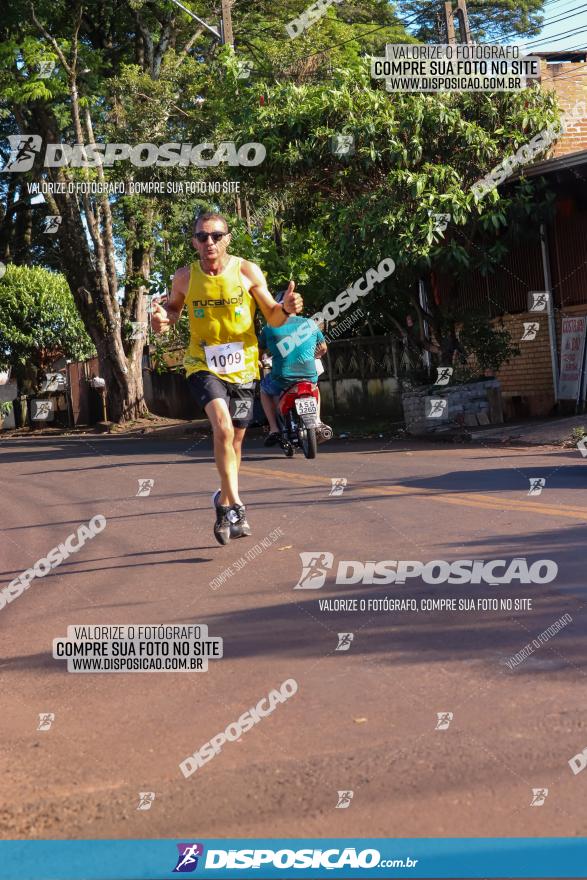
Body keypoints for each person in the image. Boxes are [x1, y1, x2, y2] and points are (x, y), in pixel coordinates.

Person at [151, 212, 302, 546]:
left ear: (228, 238)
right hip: (202, 364)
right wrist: (162, 320)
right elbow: (173, 311)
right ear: (193, 241)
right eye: (202, 237)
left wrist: (287, 308)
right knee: (221, 426)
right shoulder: (185, 277)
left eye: (216, 236)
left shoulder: (247, 271)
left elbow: (273, 318)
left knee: (235, 442)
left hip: (245, 368)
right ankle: (236, 505)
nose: (209, 243)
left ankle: (222, 502)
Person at [258, 292, 330, 446]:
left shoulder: (269, 328)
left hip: (282, 378)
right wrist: (313, 355)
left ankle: (274, 429)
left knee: (264, 390)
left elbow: (258, 353)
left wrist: (258, 361)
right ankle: (317, 421)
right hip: (309, 376)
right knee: (315, 387)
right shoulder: (311, 324)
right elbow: (323, 348)